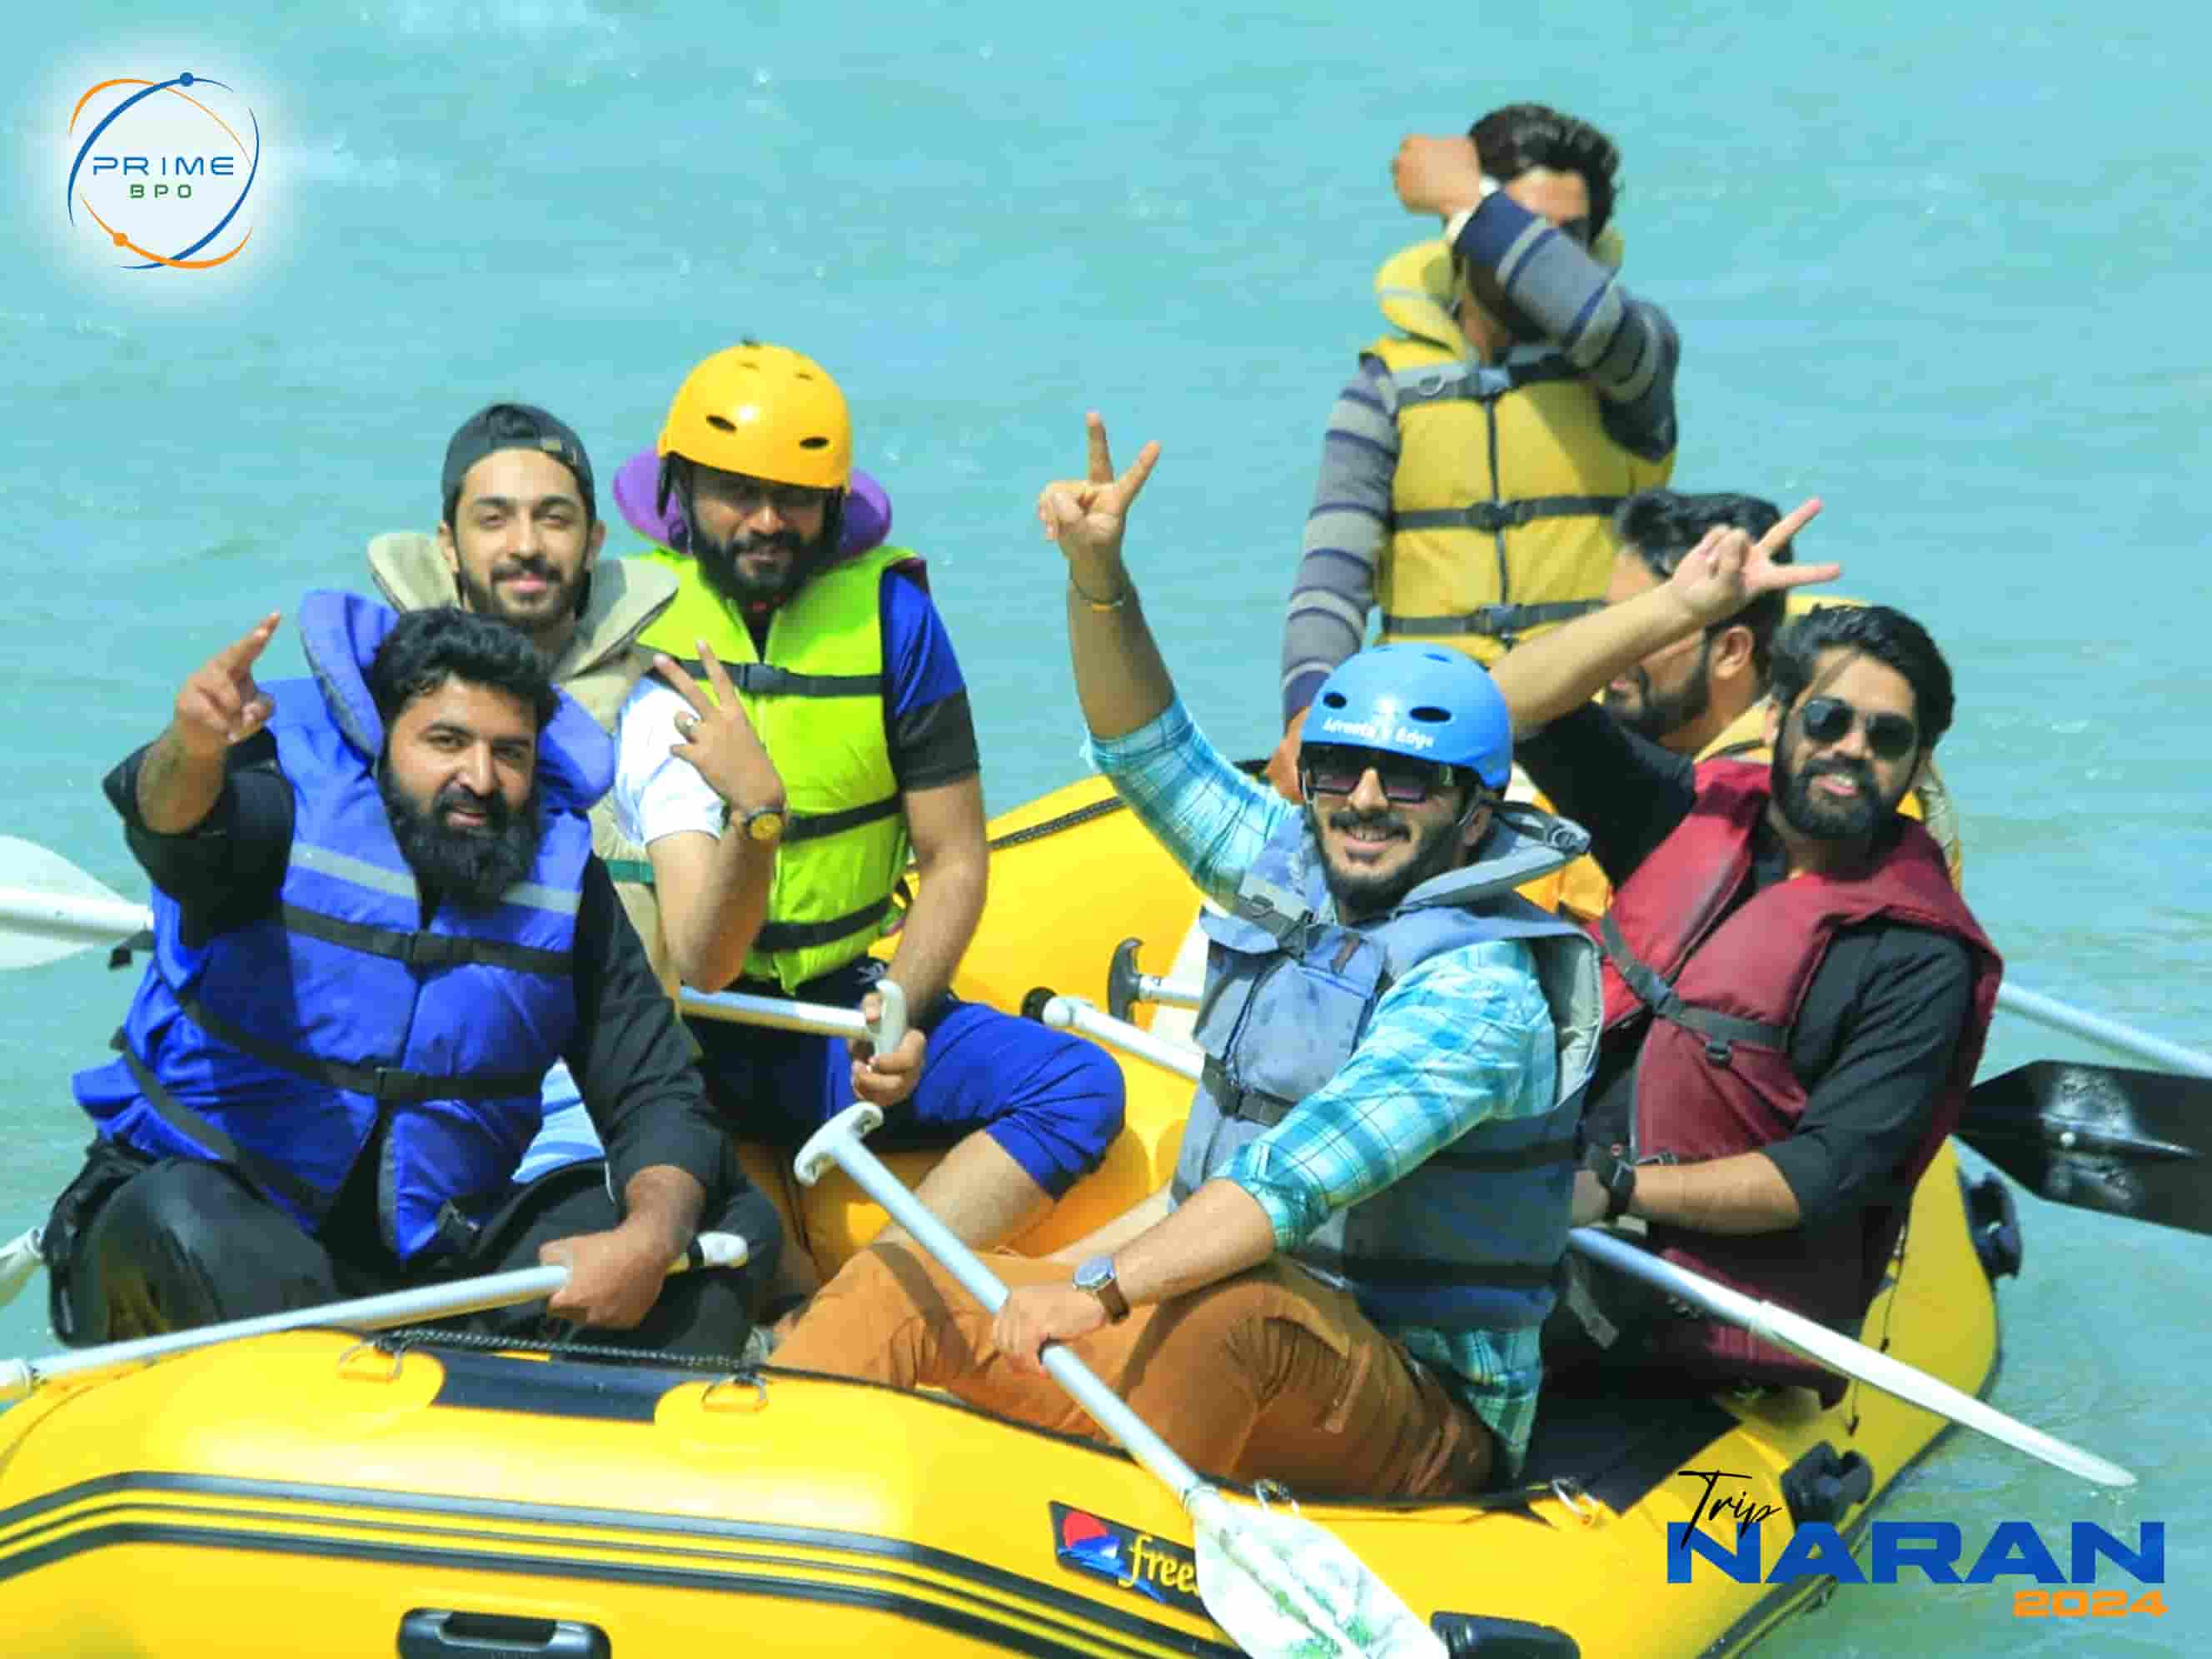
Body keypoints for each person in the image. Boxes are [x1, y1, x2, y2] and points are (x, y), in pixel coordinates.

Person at [777, 416, 1602, 1499]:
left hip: (1415, 1400)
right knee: (905, 1280)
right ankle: (768, 1503)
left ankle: (1092, 1544)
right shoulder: (1294, 866)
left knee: (1234, 1312)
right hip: (1202, 1301)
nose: (1362, 801)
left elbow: (1290, 1185)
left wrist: (1097, 1287)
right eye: (1339, 770)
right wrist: (1098, 580)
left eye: (1406, 781)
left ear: (1476, 810)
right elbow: (1150, 754)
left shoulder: (1482, 994)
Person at [40, 596, 781, 1351]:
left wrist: (648, 1240)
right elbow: (174, 829)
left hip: (424, 1269)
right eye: (447, 741)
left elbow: (653, 1091)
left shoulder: (563, 885)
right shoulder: (278, 807)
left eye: (510, 753)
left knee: (728, 1225)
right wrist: (193, 749)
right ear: (384, 737)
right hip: (220, 1223)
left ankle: (474, 1392)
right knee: (177, 1217)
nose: (480, 777)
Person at [611, 342, 1125, 1262]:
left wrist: (901, 1010)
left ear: (836, 502)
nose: (767, 522)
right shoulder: (618, 616)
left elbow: (955, 858)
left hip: (834, 1022)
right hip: (667, 1032)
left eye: (796, 497)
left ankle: (868, 1302)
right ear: (678, 486)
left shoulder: (895, 620)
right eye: (736, 491)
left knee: (1079, 1086)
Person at [1488, 503, 2003, 1399]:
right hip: (1548, 1195)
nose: (1851, 750)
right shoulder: (1685, 810)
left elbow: (1823, 1173)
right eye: (1829, 720)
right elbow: (1512, 707)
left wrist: (1615, 1188)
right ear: (1776, 721)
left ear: (1917, 765)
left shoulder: (1921, 956)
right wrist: (1677, 609)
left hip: (1679, 1286)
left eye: (1887, 738)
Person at [365, 401, 899, 987]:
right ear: (447, 543)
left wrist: (756, 816)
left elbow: (706, 965)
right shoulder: (375, 695)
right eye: (494, 520)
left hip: (587, 1047)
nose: (526, 545)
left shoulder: (650, 719)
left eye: (554, 519)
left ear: (593, 542)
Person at [1268, 105, 1681, 797]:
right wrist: (1308, 713)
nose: (1541, 256)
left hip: (1594, 734)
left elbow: (1596, 322)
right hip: (1428, 737)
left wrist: (1470, 198)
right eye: (1522, 226)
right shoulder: (1385, 389)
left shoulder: (1634, 363)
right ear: (1458, 238)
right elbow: (1330, 581)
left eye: (1569, 237)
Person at [1523, 489, 1965, 919]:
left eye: (1648, 632)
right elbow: (1508, 703)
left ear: (1731, 651)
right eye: (1620, 623)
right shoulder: (1622, 752)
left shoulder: (1828, 789)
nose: (1617, 652)